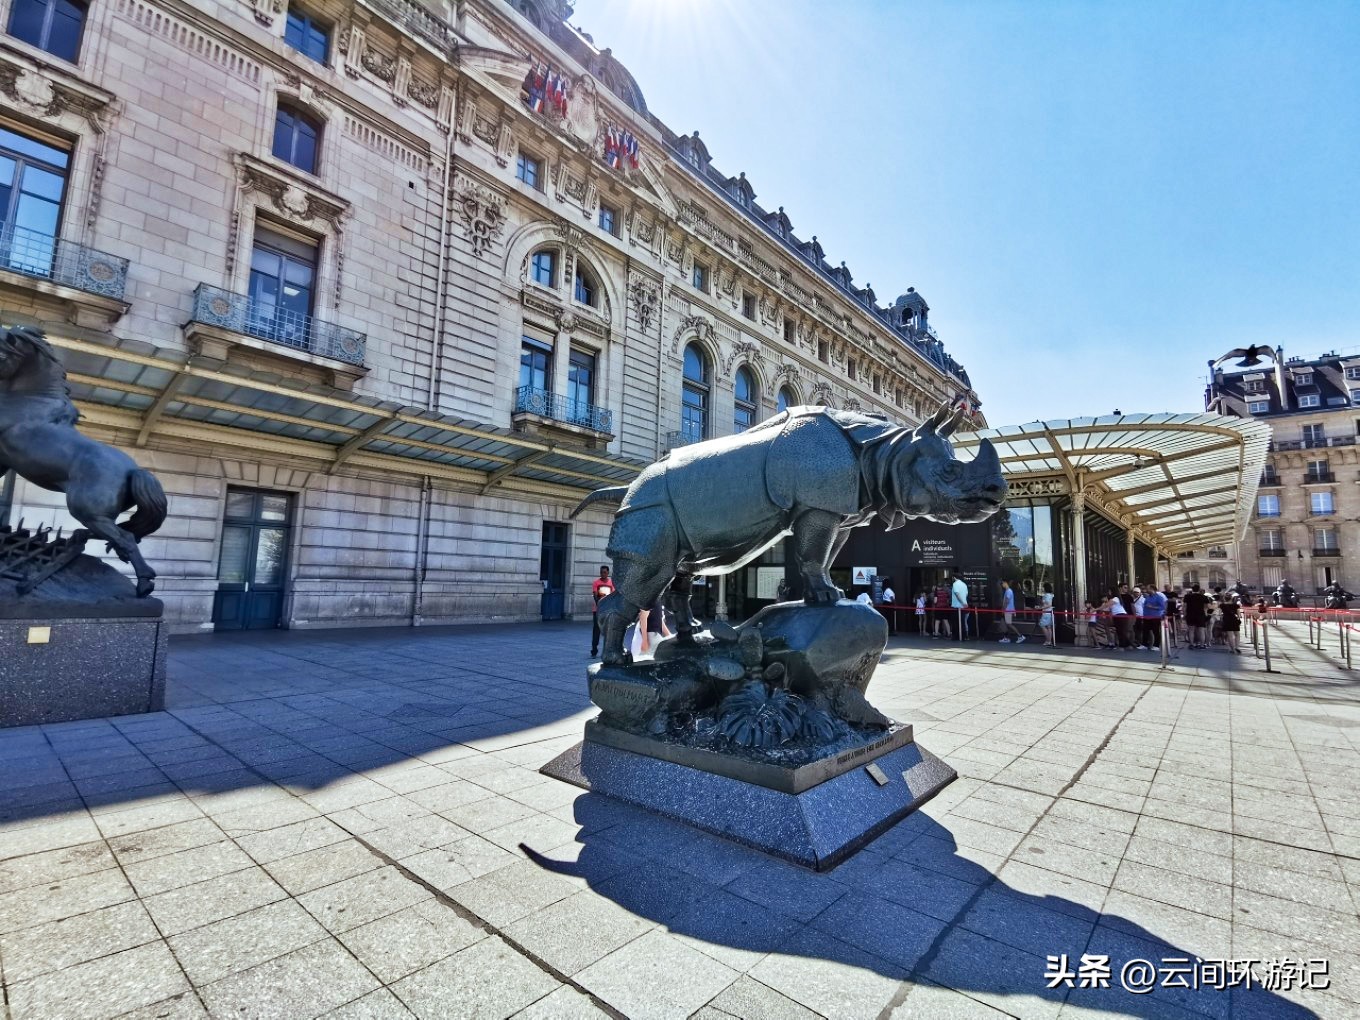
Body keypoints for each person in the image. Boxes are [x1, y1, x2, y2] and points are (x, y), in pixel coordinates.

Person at [590, 565, 613, 657]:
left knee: (608, 631)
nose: (602, 574)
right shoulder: (596, 583)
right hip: (597, 610)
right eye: (601, 572)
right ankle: (594, 650)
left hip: (608, 611)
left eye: (604, 572)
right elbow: (595, 596)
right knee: (596, 630)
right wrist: (600, 606)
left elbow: (612, 597)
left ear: (608, 573)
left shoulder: (611, 583)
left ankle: (607, 650)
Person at [1184, 583, 1211, 648]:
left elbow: (1184, 606)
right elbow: (1208, 606)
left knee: (1191, 630)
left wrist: (1185, 614)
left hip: (1190, 615)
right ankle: (1202, 645)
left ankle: (1191, 644)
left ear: (1192, 589)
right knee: (1201, 630)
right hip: (1200, 615)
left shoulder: (1187, 596)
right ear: (1199, 589)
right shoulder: (1203, 597)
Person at [1142, 584, 1167, 651]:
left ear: (1152, 589)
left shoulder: (1159, 597)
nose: (1146, 590)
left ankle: (1156, 645)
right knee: (1145, 630)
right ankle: (1144, 644)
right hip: (1146, 616)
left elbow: (1162, 607)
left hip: (1155, 617)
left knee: (1155, 631)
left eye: (1148, 589)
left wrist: (1152, 607)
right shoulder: (1148, 597)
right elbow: (1145, 605)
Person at [998, 579, 1024, 643]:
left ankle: (1020, 636)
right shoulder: (1007, 591)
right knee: (1005, 624)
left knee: (1009, 624)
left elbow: (1007, 601)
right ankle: (1006, 638)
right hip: (1007, 610)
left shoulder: (1009, 591)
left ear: (1005, 583)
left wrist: (1003, 610)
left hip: (1007, 610)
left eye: (1002, 583)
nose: (1002, 585)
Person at [950, 571, 969, 640]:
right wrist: (964, 603)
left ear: (954, 578)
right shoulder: (964, 584)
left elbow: (957, 594)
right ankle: (963, 636)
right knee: (963, 621)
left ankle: (956, 636)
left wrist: (962, 602)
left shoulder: (955, 584)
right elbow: (966, 594)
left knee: (955, 622)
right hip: (964, 606)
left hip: (956, 606)